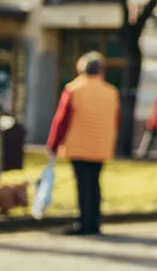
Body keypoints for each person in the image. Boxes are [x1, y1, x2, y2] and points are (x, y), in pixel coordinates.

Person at [46, 51, 120, 236]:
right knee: (95, 183)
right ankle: (94, 221)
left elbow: (61, 119)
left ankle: (84, 222)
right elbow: (116, 119)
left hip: (78, 144)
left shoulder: (73, 89)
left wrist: (53, 144)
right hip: (101, 144)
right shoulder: (111, 91)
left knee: (83, 184)